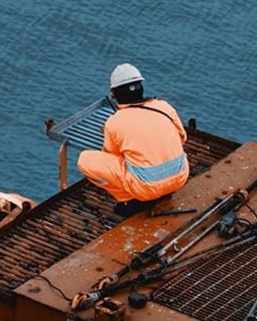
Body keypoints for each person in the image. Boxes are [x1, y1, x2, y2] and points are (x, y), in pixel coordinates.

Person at [77, 63, 190, 216]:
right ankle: (159, 189)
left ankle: (130, 200)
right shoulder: (164, 107)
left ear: (113, 93)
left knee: (84, 159)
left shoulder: (114, 122)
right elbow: (182, 138)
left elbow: (113, 156)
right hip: (180, 177)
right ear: (141, 87)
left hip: (146, 189)